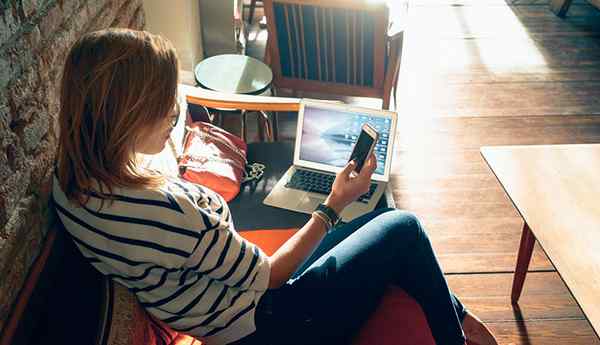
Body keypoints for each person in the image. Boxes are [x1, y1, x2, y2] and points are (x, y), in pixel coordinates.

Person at [52, 28, 498, 345]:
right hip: (269, 322)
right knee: (405, 227)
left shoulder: (70, 182)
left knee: (380, 220)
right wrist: (332, 203)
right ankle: (456, 332)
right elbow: (272, 276)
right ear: (126, 115)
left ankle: (454, 315)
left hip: (233, 295)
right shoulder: (163, 211)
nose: (174, 115)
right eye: (164, 106)